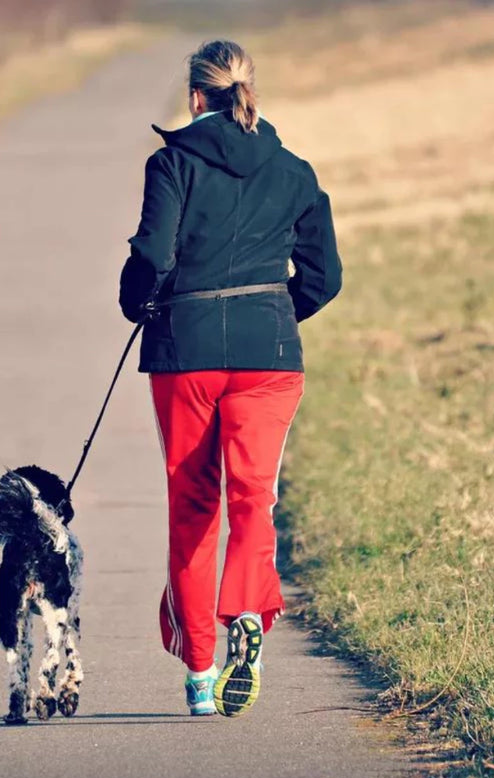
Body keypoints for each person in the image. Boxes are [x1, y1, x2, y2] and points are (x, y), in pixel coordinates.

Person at [119, 40, 342, 717]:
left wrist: (140, 304)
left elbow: (153, 256)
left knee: (193, 510)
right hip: (269, 356)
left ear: (195, 96)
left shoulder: (172, 164)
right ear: (251, 92)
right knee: (253, 499)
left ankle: (199, 675)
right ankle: (245, 609)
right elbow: (325, 277)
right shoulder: (296, 171)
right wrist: (274, 312)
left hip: (184, 355)